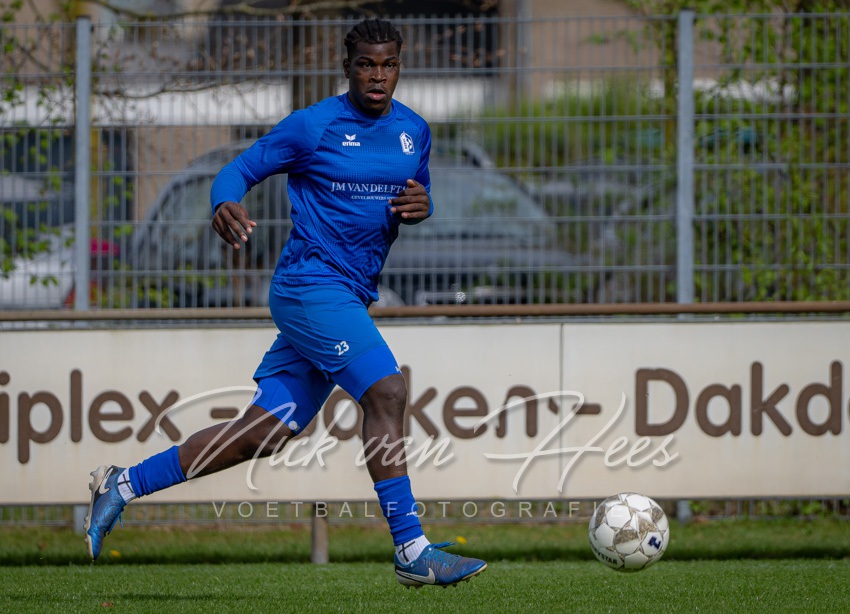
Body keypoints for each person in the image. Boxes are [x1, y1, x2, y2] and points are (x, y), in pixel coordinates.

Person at [83, 17, 487, 588]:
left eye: (389, 65)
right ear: (347, 67)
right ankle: (411, 549)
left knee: (263, 434)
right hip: (308, 287)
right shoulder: (312, 126)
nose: (378, 76)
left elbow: (415, 196)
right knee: (388, 391)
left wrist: (425, 206)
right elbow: (237, 170)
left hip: (348, 294)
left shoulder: (413, 132)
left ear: (400, 66)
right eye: (366, 65)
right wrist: (224, 202)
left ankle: (121, 484)